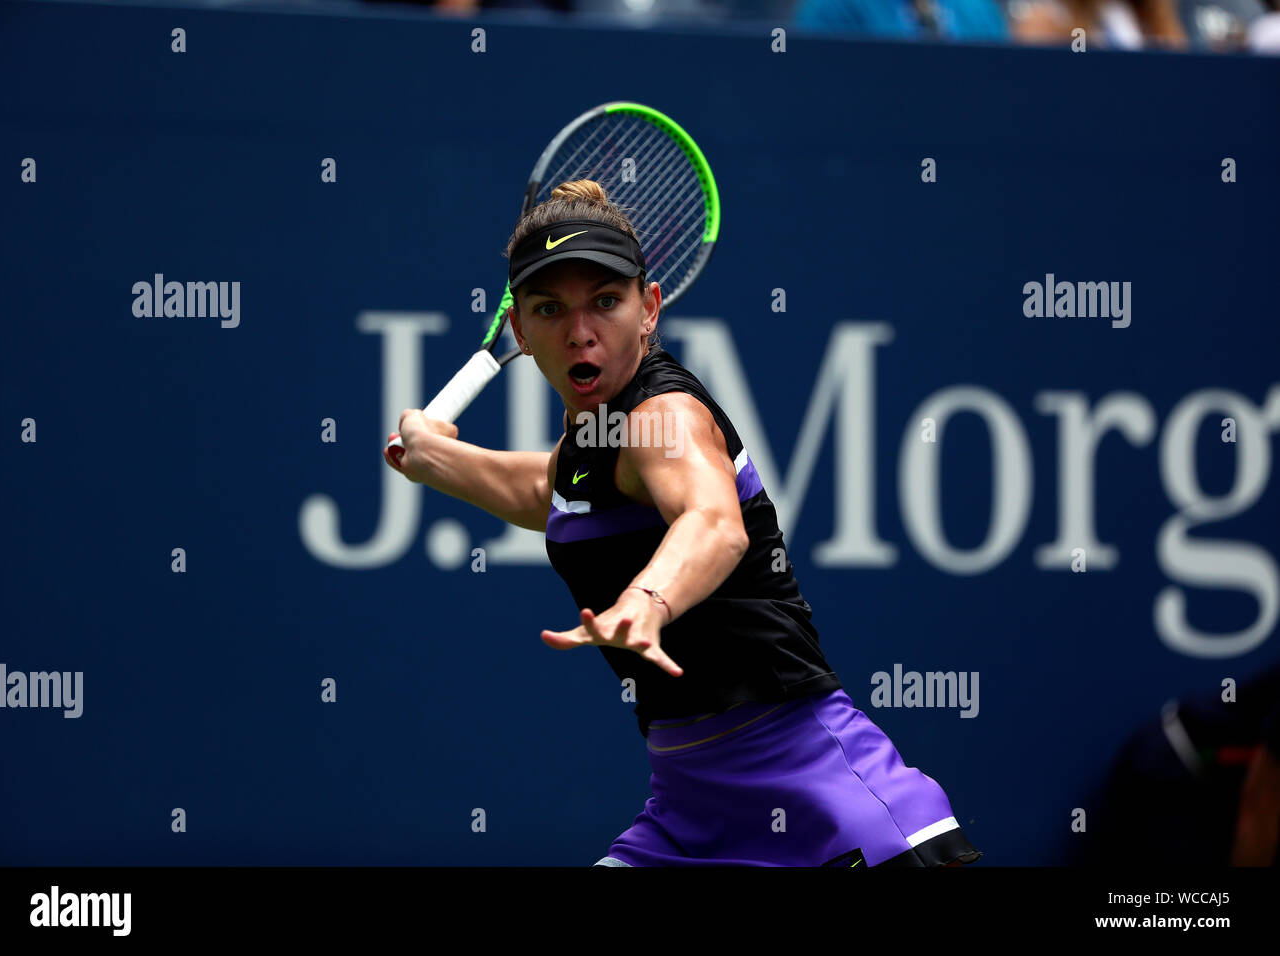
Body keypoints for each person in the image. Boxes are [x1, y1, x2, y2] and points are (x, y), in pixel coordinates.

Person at [384, 179, 982, 867]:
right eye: (550, 310)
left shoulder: (662, 417)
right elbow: (548, 490)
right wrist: (435, 457)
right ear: (518, 328)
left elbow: (712, 520)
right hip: (688, 817)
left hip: (830, 806)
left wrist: (648, 598)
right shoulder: (593, 435)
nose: (581, 331)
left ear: (650, 309)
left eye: (606, 302)